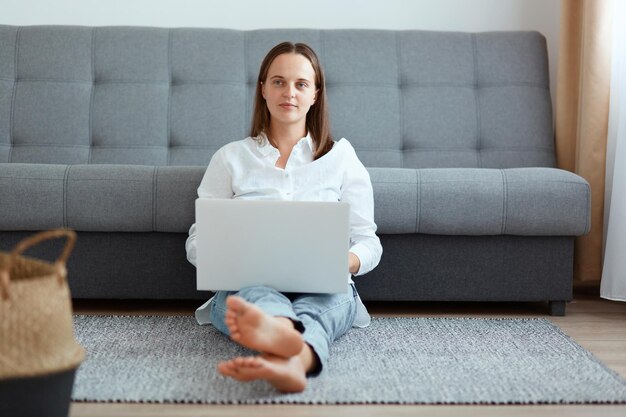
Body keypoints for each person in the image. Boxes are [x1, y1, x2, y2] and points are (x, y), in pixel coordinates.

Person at [185, 42, 382, 393]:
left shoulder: (343, 158)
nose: (288, 92)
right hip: (247, 284)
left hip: (323, 285)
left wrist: (345, 260)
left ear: (315, 95)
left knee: (330, 300)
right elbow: (197, 241)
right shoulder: (230, 158)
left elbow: (368, 241)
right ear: (262, 89)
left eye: (300, 84)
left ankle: (283, 343)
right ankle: (293, 353)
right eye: (278, 82)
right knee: (254, 297)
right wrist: (227, 258)